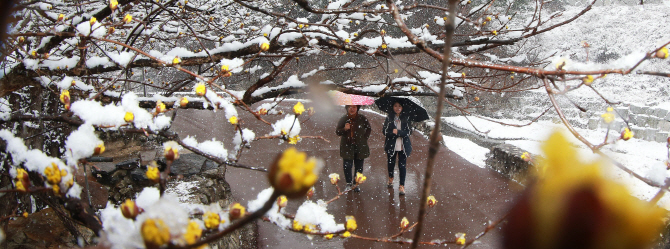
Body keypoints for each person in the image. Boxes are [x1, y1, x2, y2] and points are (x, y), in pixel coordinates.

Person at [336, 105, 371, 192]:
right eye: (350, 107)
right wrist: (345, 128)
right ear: (347, 108)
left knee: (359, 166)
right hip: (347, 146)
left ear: (357, 108)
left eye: (354, 107)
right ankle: (348, 183)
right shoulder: (344, 118)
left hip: (360, 146)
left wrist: (364, 138)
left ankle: (356, 184)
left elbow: (368, 129)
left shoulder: (362, 118)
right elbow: (337, 132)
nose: (352, 109)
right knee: (347, 165)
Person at [383, 102, 412, 195]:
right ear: (392, 107)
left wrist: (399, 132)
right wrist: (392, 133)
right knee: (391, 163)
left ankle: (401, 185)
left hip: (403, 145)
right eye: (395, 106)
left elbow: (409, 131)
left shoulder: (406, 118)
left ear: (402, 107)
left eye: (400, 106)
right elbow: (384, 131)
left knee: (402, 166)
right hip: (392, 145)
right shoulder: (389, 118)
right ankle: (391, 178)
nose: (397, 108)